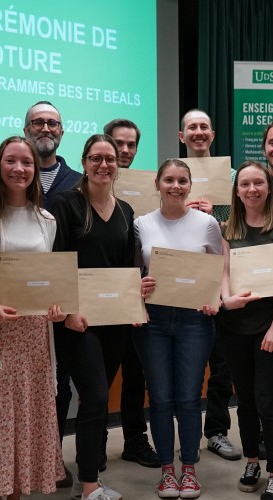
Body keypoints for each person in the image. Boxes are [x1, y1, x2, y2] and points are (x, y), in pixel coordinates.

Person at [49, 134, 149, 500]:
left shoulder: (125, 210)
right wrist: (69, 311)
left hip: (115, 321)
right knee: (91, 398)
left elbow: (129, 268)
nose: (104, 164)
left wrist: (135, 307)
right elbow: (55, 262)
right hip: (78, 322)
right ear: (85, 162)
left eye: (110, 158)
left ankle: (86, 481)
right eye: (96, 158)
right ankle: (89, 493)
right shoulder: (65, 204)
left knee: (98, 399)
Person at [0, 137, 66, 500]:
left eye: (26, 162)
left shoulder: (47, 220)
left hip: (34, 332)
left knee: (27, 414)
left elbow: (51, 278)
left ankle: (16, 497)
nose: (19, 169)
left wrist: (58, 305)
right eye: (11, 160)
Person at [133, 158, 222, 499]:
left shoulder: (208, 223)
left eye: (182, 181)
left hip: (194, 320)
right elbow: (134, 272)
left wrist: (213, 298)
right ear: (157, 184)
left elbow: (218, 268)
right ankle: (166, 471)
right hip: (152, 319)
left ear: (190, 185)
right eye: (168, 180)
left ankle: (189, 469)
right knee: (159, 397)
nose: (175, 186)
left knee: (187, 397)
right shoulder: (142, 224)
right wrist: (139, 285)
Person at [220, 161, 273, 500]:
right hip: (234, 327)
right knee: (246, 402)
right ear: (236, 191)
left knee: (269, 402)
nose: (251, 189)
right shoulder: (230, 227)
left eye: (258, 183)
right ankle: (252, 461)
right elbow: (224, 271)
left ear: (268, 187)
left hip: (271, 328)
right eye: (245, 184)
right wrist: (225, 300)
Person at [178, 108, 242, 461]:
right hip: (182, 280)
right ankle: (181, 434)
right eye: (192, 127)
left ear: (212, 135)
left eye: (204, 126)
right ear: (181, 136)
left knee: (222, 362)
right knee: (183, 360)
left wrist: (218, 214)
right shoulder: (171, 173)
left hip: (222, 276)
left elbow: (244, 224)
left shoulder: (232, 177)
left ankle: (216, 431)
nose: (198, 132)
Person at [23, 100, 80, 483]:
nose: (46, 128)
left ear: (62, 131)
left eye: (53, 123)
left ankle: (51, 460)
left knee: (58, 384)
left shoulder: (79, 180)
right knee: (20, 386)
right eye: (38, 122)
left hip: (65, 298)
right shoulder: (9, 175)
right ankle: (18, 463)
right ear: (26, 128)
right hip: (20, 302)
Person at [102, 118, 160, 469]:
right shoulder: (89, 189)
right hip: (104, 297)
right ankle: (97, 444)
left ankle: (135, 441)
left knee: (136, 372)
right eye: (118, 144)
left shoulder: (149, 187)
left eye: (130, 145)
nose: (124, 151)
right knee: (102, 376)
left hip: (141, 293)